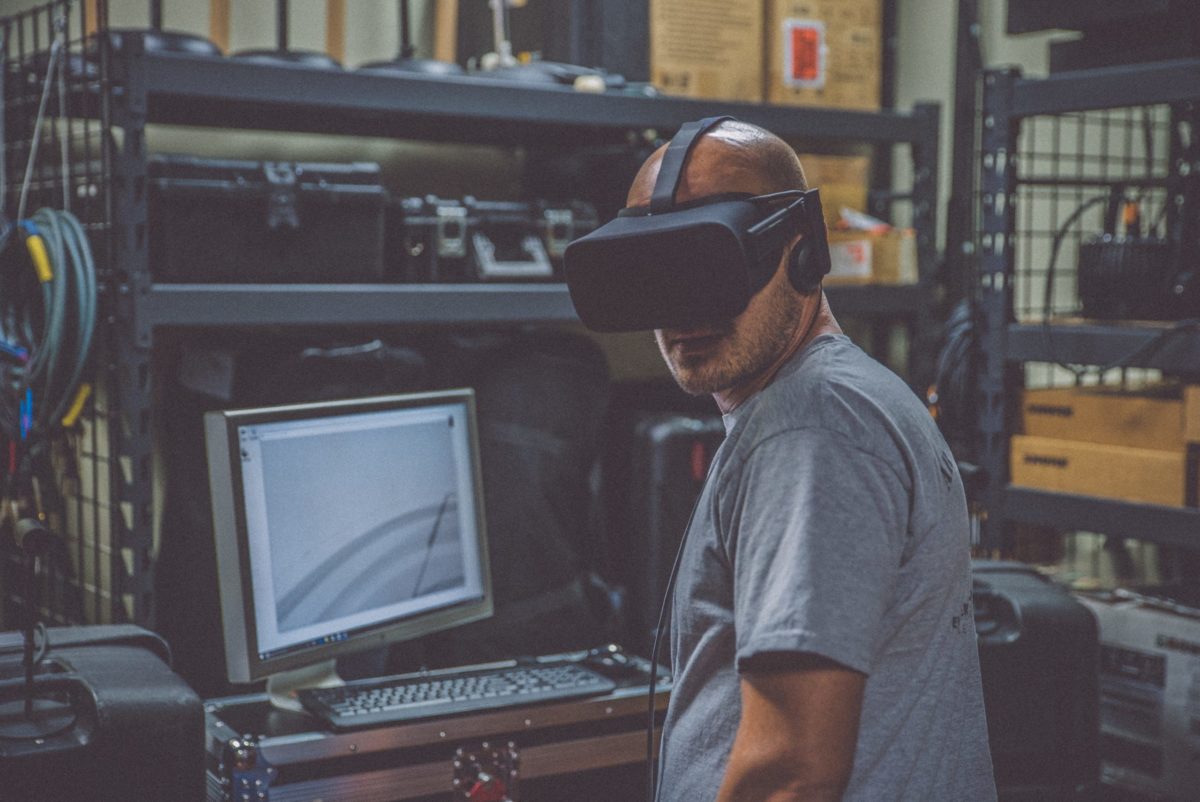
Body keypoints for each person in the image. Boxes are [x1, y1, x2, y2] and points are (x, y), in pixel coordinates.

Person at [638, 121, 997, 801]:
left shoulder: (811, 426)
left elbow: (791, 772)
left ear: (802, 253)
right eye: (660, 273)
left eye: (713, 269)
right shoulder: (835, 398)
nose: (683, 309)